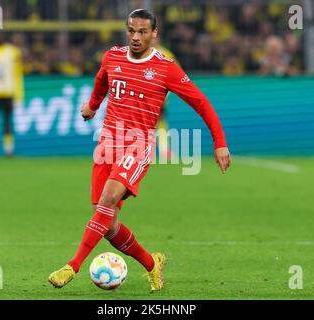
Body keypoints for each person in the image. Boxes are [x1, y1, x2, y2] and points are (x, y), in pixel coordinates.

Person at [48, 9, 231, 292]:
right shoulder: (112, 56)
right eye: (131, 31)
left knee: (107, 200)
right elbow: (102, 81)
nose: (136, 37)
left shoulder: (166, 67)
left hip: (138, 144)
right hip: (107, 144)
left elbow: (202, 104)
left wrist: (219, 142)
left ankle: (72, 266)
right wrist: (93, 106)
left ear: (154, 33)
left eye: (143, 32)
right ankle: (151, 263)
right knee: (107, 224)